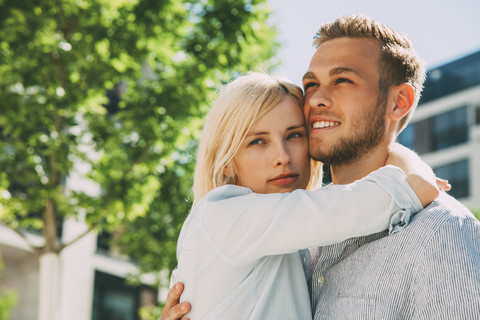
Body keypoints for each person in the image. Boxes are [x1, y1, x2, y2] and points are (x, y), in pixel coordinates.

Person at [162, 15, 480, 319]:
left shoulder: (440, 230)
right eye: (311, 84)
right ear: (227, 160)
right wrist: (411, 173)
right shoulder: (293, 238)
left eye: (342, 80)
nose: (316, 99)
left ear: (398, 102)